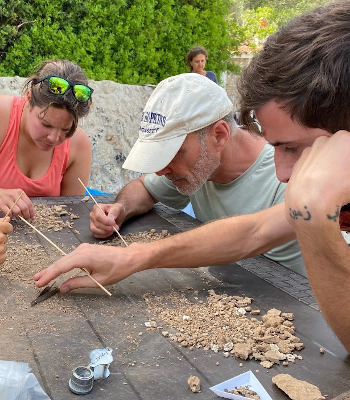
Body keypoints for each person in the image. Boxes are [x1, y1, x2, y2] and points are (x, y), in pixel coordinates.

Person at [34, 0, 350, 353]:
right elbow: (253, 231)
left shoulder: (299, 187)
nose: (283, 172)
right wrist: (126, 240)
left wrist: (317, 217)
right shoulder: (203, 170)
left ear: (219, 135)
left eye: (291, 148)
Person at [0, 59, 93, 220]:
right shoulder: (2, 116)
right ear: (29, 99)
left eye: (66, 129)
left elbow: (70, 217)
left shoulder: (79, 145)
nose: (54, 138)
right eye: (46, 124)